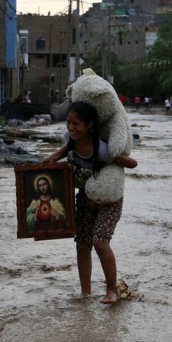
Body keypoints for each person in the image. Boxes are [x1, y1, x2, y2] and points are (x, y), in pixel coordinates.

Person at [42, 101, 138, 304]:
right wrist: (50, 160)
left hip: (108, 201)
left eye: (76, 123)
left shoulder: (101, 150)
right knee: (82, 245)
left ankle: (112, 291)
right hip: (85, 199)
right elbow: (65, 150)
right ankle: (86, 293)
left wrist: (113, 160)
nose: (70, 127)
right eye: (68, 122)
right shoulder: (70, 139)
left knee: (100, 242)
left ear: (89, 125)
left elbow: (132, 163)